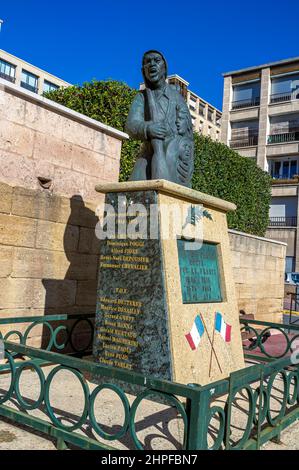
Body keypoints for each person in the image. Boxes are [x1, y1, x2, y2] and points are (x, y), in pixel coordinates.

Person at [125, 50, 194, 185]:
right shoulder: (141, 97)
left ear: (164, 68)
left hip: (173, 156)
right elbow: (130, 125)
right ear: (143, 70)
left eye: (156, 60)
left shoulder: (178, 98)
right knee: (131, 189)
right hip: (149, 155)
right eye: (147, 62)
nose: (152, 64)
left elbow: (187, 136)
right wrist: (148, 128)